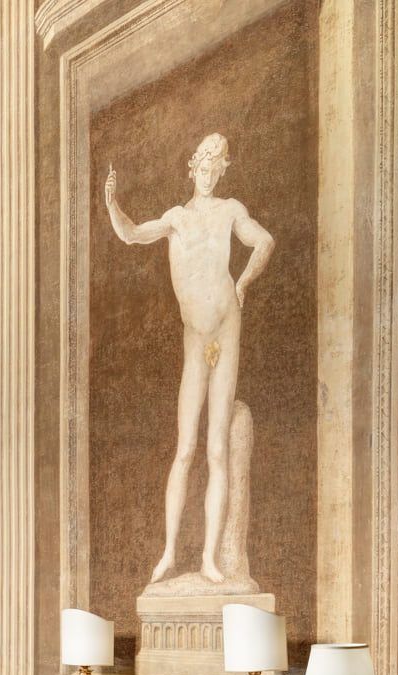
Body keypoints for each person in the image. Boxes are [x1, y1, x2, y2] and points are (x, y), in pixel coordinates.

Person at [104, 133, 274, 585]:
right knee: (185, 449)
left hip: (226, 330)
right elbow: (131, 234)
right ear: (192, 166)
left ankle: (208, 558)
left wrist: (243, 282)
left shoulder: (230, 210)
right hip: (196, 340)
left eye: (215, 166)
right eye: (202, 164)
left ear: (222, 170)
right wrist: (112, 202)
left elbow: (264, 242)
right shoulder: (176, 219)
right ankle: (168, 553)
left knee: (217, 448)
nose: (207, 172)